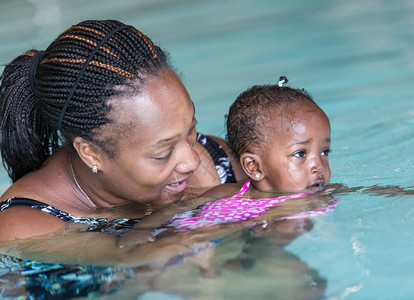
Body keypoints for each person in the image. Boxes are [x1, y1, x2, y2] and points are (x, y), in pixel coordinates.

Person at [0, 19, 243, 242]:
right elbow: (137, 260)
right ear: (91, 154)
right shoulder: (25, 229)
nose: (193, 160)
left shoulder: (220, 162)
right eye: (163, 153)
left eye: (190, 128)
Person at [117, 77, 338, 246]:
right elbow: (178, 209)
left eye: (324, 151)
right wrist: (140, 230)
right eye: (301, 154)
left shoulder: (312, 200)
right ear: (254, 167)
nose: (318, 165)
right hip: (184, 243)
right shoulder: (227, 193)